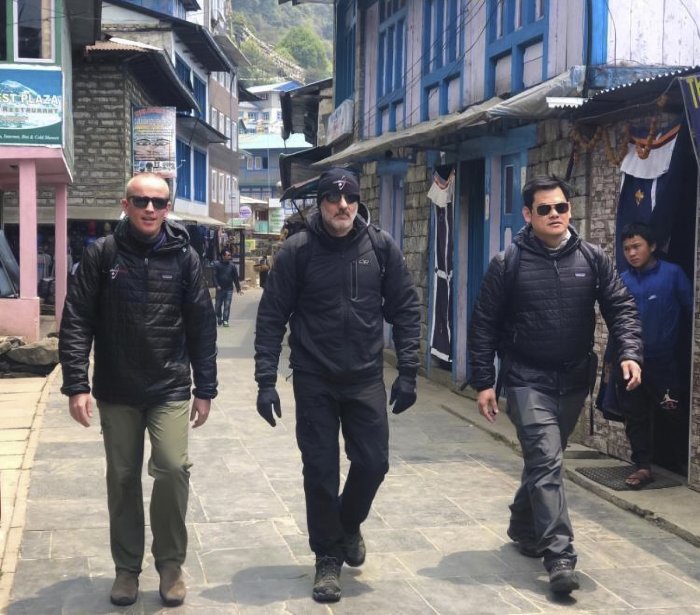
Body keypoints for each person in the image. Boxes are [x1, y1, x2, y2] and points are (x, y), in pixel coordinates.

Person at [468, 175, 643, 595]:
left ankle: (522, 521)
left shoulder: (592, 258)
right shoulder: (507, 263)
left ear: (569, 210)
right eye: (544, 209)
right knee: (548, 462)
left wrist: (630, 352)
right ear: (528, 215)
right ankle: (560, 555)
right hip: (527, 378)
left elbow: (621, 306)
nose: (555, 215)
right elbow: (484, 325)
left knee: (544, 459)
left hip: (573, 379)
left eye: (561, 207)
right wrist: (484, 382)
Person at [254, 167, 421, 603]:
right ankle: (328, 557)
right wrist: (265, 380)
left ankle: (347, 524)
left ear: (358, 200)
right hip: (314, 378)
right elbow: (271, 316)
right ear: (321, 203)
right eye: (333, 198)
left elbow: (405, 309)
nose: (342, 206)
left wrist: (408, 370)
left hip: (365, 376)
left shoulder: (381, 248)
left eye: (349, 198)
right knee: (321, 472)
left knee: (374, 464)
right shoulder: (297, 252)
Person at [58, 173, 217, 608]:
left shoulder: (185, 257)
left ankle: (169, 563)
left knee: (171, 468)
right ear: (125, 204)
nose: (150, 209)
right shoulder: (101, 254)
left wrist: (206, 388)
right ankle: (127, 569)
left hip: (169, 386)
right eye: (141, 201)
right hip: (117, 387)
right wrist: (76, 383)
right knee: (123, 478)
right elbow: (77, 320)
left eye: (159, 202)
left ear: (169, 208)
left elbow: (202, 325)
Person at [614, 222, 693, 486]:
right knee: (635, 416)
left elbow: (691, 310)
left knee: (673, 411)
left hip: (665, 361)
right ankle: (642, 466)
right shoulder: (622, 280)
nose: (631, 253)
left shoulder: (673, 274)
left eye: (636, 246)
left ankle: (681, 462)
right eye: (626, 249)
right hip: (631, 361)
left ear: (653, 246)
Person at [213, 248, 242, 327]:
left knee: (227, 305)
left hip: (229, 289)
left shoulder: (232, 266)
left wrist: (238, 289)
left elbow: (235, 278)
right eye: (228, 255)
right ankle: (219, 317)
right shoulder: (216, 264)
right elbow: (214, 276)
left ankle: (225, 320)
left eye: (230, 255)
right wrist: (217, 285)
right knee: (217, 306)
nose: (230, 256)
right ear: (223, 256)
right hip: (220, 289)